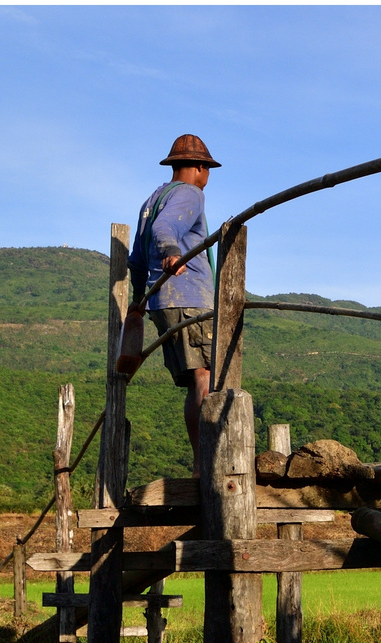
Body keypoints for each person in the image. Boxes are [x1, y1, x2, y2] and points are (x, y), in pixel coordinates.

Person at [127, 134, 221, 473]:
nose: (207, 178)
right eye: (207, 170)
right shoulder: (189, 194)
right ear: (199, 168)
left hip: (161, 302)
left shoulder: (152, 201)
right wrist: (171, 252)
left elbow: (137, 260)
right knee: (207, 375)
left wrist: (140, 300)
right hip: (189, 297)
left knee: (195, 377)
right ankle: (207, 464)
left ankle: (200, 461)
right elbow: (166, 229)